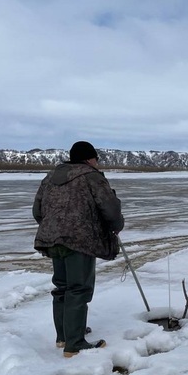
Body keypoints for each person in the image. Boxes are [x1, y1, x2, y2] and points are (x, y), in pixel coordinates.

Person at [33, 141, 124, 358]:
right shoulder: (92, 176)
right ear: (89, 159)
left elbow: (37, 210)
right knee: (78, 288)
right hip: (79, 240)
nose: (96, 163)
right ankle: (74, 344)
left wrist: (54, 227)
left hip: (52, 239)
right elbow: (110, 209)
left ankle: (64, 335)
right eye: (96, 159)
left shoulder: (50, 178)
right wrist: (116, 225)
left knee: (62, 286)